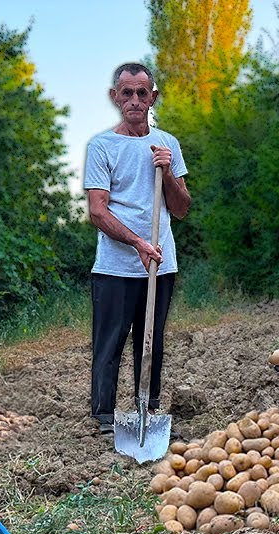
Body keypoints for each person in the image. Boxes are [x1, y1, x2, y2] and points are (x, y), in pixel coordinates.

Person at [84, 62, 191, 434]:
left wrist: (168, 172)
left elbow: (180, 208)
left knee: (152, 340)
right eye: (126, 92)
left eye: (141, 93)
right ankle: (104, 416)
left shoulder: (167, 144)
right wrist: (136, 242)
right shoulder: (102, 146)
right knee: (109, 341)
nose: (134, 100)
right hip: (116, 265)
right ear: (115, 97)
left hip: (160, 263)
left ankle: (150, 407)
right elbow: (98, 211)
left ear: (152, 98)